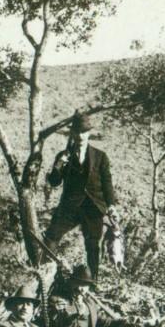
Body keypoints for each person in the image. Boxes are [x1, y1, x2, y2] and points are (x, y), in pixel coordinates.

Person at [43, 111, 117, 280]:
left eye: (84, 132)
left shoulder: (100, 156)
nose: (80, 136)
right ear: (72, 133)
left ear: (89, 133)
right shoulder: (63, 156)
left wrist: (111, 205)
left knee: (92, 246)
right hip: (69, 207)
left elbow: (107, 182)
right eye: (77, 132)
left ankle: (92, 281)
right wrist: (60, 165)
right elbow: (54, 182)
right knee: (51, 237)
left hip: (93, 207)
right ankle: (46, 275)